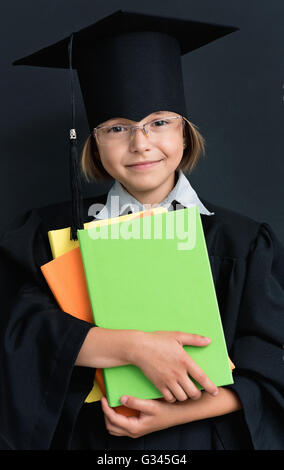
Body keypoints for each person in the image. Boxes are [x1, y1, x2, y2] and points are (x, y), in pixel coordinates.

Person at [0, 10, 283, 451]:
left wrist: (186, 409)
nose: (141, 143)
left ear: (185, 134)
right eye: (117, 128)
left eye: (160, 121)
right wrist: (130, 347)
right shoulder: (51, 234)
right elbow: (18, 332)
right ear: (94, 142)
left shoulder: (241, 242)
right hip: (89, 442)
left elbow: (273, 360)